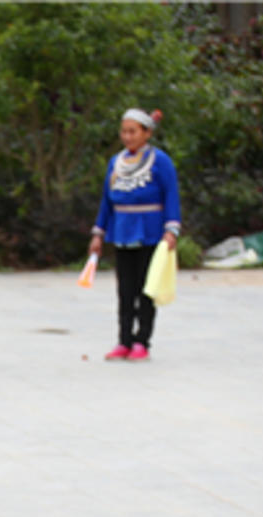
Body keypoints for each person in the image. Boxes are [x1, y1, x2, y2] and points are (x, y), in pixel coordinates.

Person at [89, 108, 181, 362]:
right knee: (125, 289)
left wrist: (171, 230)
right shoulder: (115, 163)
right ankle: (124, 339)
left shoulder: (160, 161)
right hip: (123, 229)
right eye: (124, 132)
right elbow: (107, 201)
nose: (127, 137)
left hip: (151, 231)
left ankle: (143, 340)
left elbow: (171, 196)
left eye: (133, 132)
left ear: (146, 133)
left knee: (146, 288)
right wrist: (99, 233)